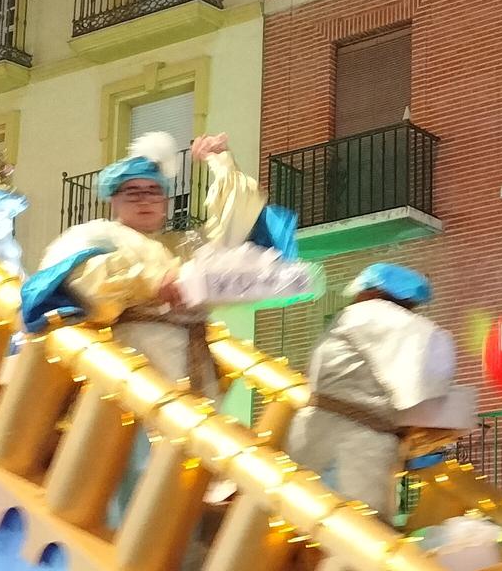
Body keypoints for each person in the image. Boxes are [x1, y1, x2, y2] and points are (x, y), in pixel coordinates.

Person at [21, 132, 313, 401]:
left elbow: (238, 229)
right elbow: (75, 278)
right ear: (114, 200)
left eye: (153, 191)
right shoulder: (96, 234)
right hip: (132, 367)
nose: (145, 199)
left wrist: (220, 160)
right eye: (133, 192)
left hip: (194, 366)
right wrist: (149, 280)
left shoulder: (183, 244)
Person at [287, 263, 461, 514]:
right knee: (357, 531)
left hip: (312, 430)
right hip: (362, 446)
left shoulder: (348, 319)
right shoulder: (417, 330)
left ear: (373, 291)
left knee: (295, 519)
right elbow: (424, 398)